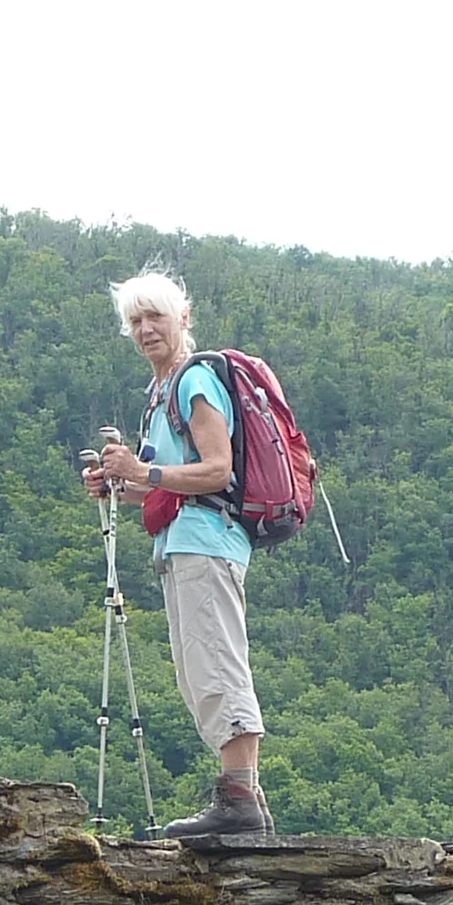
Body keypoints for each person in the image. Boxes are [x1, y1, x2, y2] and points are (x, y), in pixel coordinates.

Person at [83, 267, 272, 837]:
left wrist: (141, 471)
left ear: (182, 318)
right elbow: (170, 480)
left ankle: (239, 798)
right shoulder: (162, 391)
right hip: (187, 542)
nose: (145, 330)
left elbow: (218, 469)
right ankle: (242, 798)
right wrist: (127, 485)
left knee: (215, 661)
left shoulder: (193, 382)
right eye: (135, 321)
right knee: (199, 669)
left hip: (206, 541)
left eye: (154, 317)